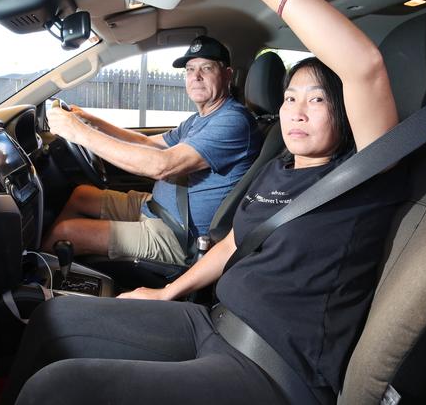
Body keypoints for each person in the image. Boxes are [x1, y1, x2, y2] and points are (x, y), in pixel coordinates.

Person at [0, 0, 407, 405]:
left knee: (58, 391)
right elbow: (235, 240)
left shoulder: (365, 176)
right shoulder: (279, 167)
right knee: (52, 321)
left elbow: (365, 68)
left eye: (316, 100)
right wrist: (168, 293)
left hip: (272, 367)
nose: (296, 111)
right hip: (213, 320)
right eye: (290, 97)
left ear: (344, 111)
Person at [42, 35, 262, 265]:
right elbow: (149, 143)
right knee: (81, 195)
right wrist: (91, 121)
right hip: (155, 207)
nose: (195, 77)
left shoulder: (234, 121)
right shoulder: (200, 118)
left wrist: (79, 133)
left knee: (66, 232)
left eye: (206, 68)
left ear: (227, 75)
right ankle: (63, 268)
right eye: (189, 69)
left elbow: (161, 165)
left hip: (177, 235)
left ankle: (36, 286)